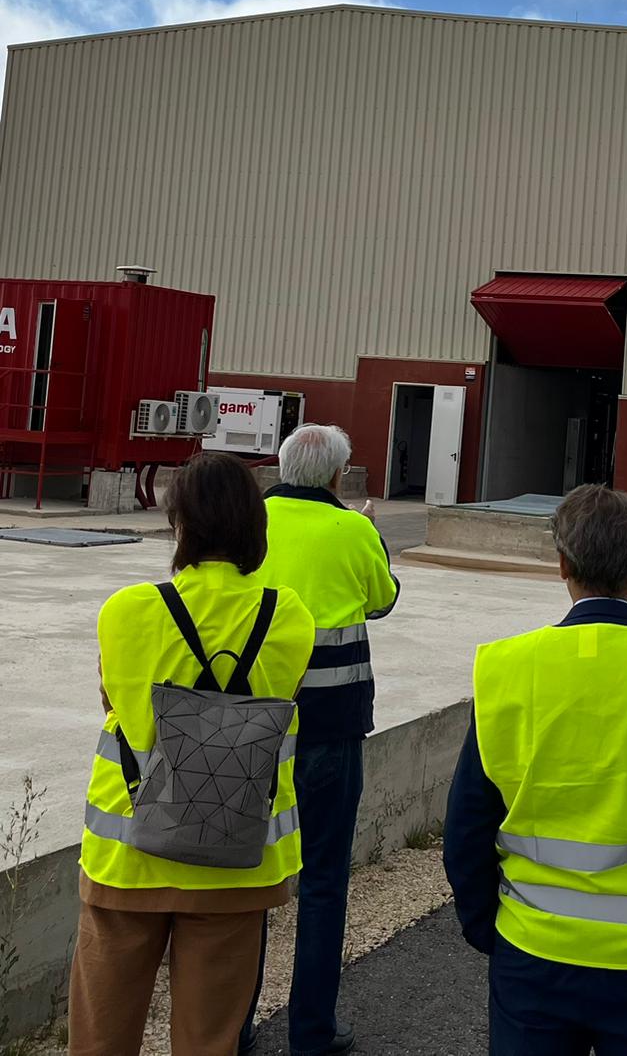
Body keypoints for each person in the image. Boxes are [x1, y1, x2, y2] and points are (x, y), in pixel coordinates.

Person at [443, 484, 627, 1055]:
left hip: (533, 952)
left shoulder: (506, 669)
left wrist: (487, 927)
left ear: (562, 564)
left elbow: (467, 826)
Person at [70, 452, 314, 1056]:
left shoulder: (126, 611)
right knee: (209, 1042)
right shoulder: (288, 617)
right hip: (235, 855)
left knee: (101, 1038)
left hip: (128, 853)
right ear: (254, 525)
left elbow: (113, 698)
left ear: (179, 523)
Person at [241, 424, 400, 1056]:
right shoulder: (353, 530)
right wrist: (369, 533)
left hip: (252, 726)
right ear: (338, 476)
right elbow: (382, 600)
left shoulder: (251, 521)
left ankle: (232, 1025)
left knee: (246, 877)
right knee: (325, 876)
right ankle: (312, 1031)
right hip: (331, 727)